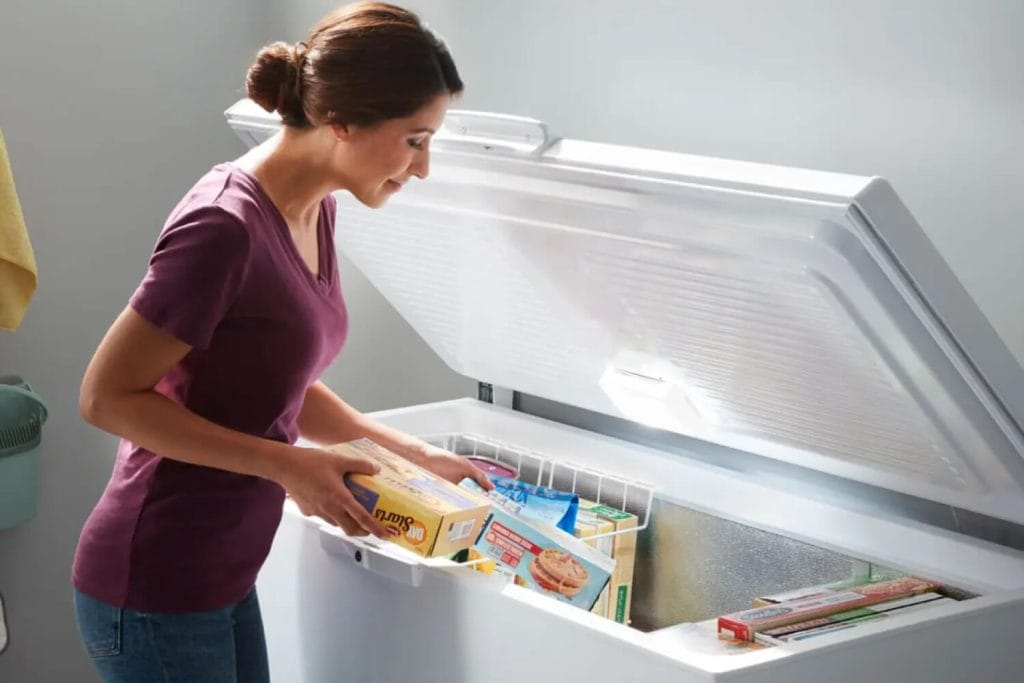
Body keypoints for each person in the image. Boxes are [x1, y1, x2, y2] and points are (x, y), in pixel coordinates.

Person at [71, 3, 493, 681]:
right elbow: (107, 397)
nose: (423, 168)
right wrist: (288, 464)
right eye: (414, 140)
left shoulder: (314, 206)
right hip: (156, 585)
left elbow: (268, 373)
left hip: (222, 573)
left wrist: (401, 451)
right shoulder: (223, 228)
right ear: (342, 121)